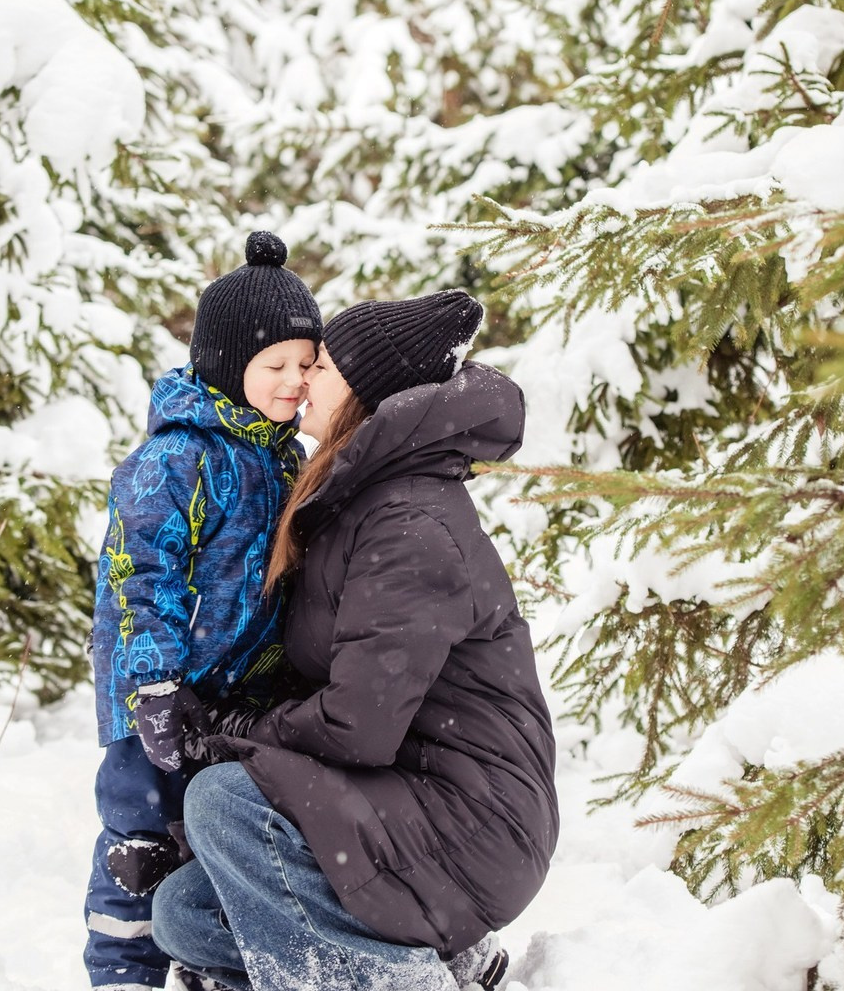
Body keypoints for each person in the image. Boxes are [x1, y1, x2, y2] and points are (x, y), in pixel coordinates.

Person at [150, 290, 560, 991]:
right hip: (407, 797)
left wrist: (236, 734)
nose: (303, 380)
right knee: (183, 915)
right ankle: (444, 960)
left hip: (473, 823)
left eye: (324, 368)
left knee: (226, 802)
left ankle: (394, 981)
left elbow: (358, 726)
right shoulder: (362, 497)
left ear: (367, 395)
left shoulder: (409, 523)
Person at [85, 230, 322, 991]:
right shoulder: (174, 459)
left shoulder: (282, 456)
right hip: (159, 697)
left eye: (307, 365)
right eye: (276, 365)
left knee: (212, 843)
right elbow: (136, 579)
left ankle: (202, 966)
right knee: (142, 844)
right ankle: (122, 972)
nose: (295, 382)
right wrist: (153, 684)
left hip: (238, 699)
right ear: (227, 364)